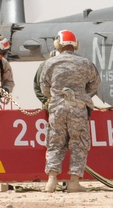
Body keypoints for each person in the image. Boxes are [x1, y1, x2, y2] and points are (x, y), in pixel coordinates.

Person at [39, 30, 100, 193]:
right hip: (78, 108)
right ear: (75, 45)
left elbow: (44, 88)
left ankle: (51, 181)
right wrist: (81, 92)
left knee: (54, 142)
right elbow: (95, 84)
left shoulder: (50, 63)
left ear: (58, 44)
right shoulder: (85, 63)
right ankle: (74, 182)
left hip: (57, 108)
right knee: (79, 143)